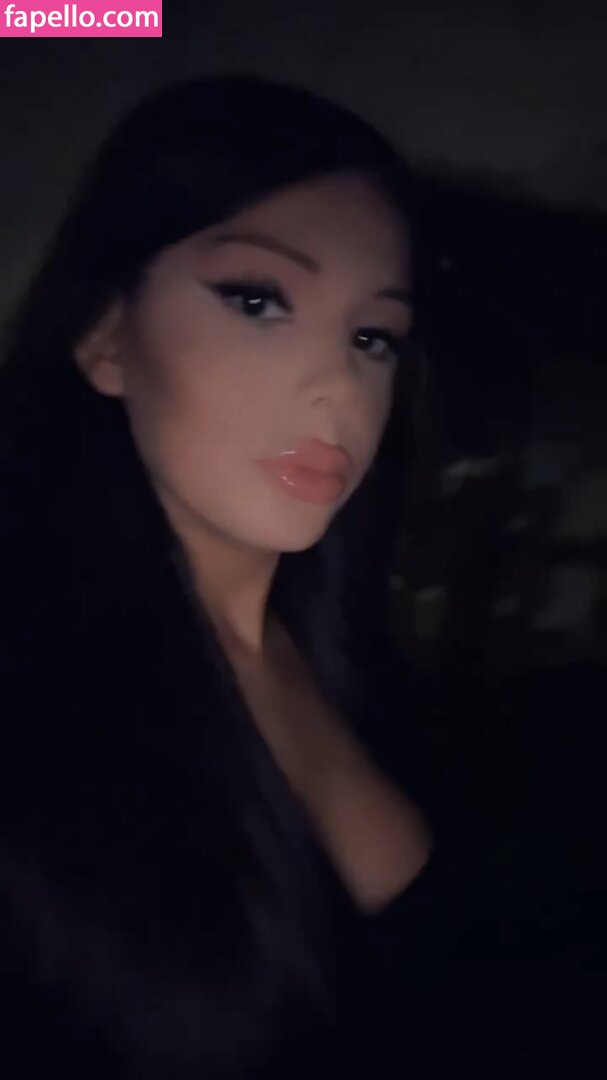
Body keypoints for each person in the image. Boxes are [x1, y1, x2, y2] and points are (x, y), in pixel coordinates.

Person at [0, 74, 440, 1078]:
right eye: (257, 300)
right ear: (106, 336)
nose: (335, 385)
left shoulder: (349, 650)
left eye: (371, 336)